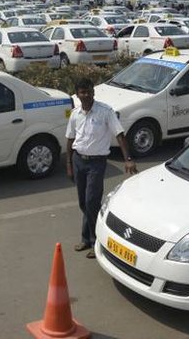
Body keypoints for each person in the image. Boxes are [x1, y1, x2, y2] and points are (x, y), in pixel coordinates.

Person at [66, 78, 138, 259]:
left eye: (89, 91)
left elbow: (120, 135)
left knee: (91, 202)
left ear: (93, 92)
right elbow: (69, 139)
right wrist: (69, 164)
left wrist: (128, 159)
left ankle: (96, 240)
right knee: (84, 202)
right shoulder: (75, 114)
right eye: (82, 92)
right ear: (78, 94)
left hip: (96, 164)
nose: (86, 95)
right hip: (78, 161)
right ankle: (86, 238)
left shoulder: (105, 111)